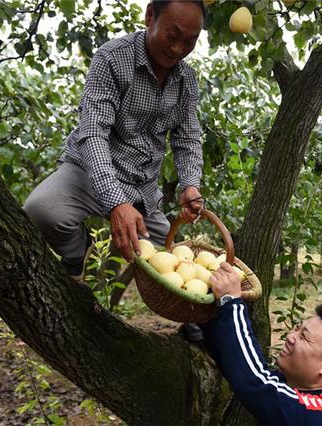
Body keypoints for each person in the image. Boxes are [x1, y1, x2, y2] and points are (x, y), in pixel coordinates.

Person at [23, 0, 206, 282]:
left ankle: (194, 326)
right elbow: (93, 132)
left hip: (141, 187)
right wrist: (115, 203)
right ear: (149, 16)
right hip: (90, 170)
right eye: (172, 35)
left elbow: (188, 136)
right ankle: (76, 253)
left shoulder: (186, 80)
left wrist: (190, 184)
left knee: (174, 267)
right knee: (42, 210)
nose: (178, 48)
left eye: (190, 41)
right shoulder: (112, 58)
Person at [202, 262, 322, 425]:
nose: (290, 337)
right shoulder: (293, 385)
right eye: (297, 328)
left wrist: (230, 303)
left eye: (304, 337)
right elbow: (239, 366)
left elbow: (256, 382)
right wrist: (206, 326)